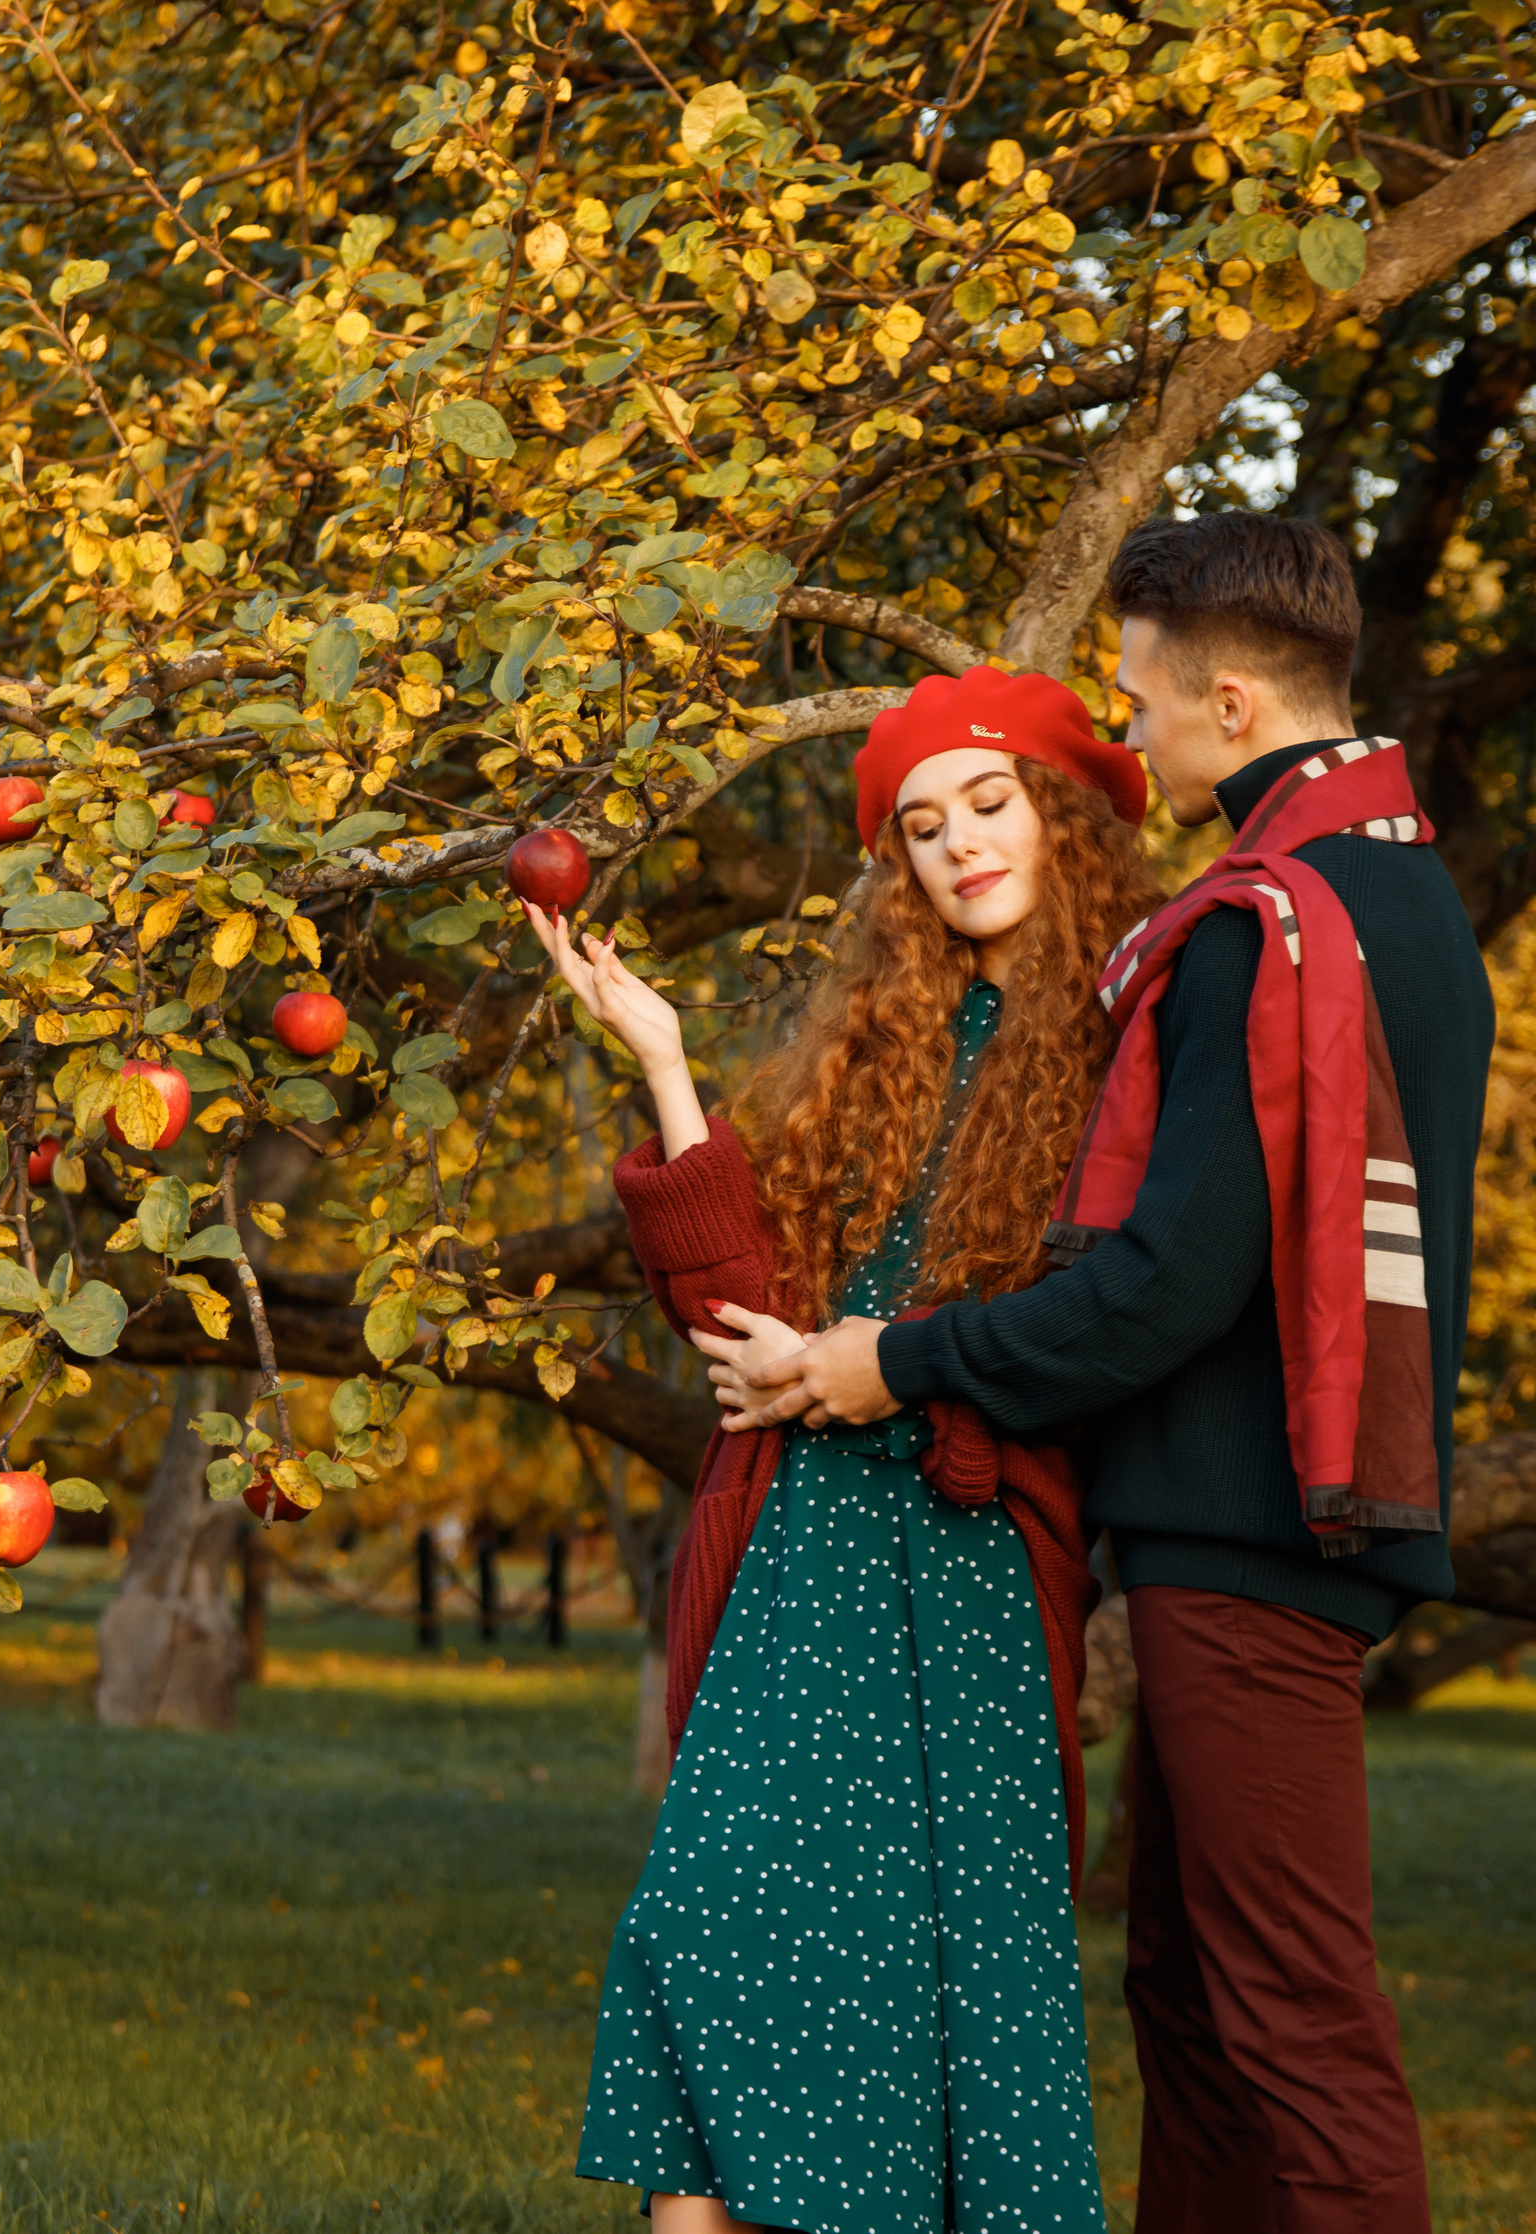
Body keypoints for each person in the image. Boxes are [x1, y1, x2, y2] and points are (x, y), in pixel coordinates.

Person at [726, 513, 1495, 2234]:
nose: (1131, 735)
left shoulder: (1260, 926)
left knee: (1289, 2015)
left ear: (1229, 699)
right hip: (1269, 1530)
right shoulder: (1400, 894)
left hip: (1253, 1538)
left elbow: (1162, 1288)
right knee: (1195, 2002)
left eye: (1142, 700)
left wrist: (893, 1360)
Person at [530, 666, 1160, 2234]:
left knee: (925, 2032)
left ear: (1064, 812)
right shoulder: (886, 1043)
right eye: (924, 828)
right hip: (800, 1572)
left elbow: (1118, 1334)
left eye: (989, 803)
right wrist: (666, 1065)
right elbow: (747, 1324)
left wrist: (892, 1384)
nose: (959, 847)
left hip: (962, 1595)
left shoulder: (1136, 1044)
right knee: (714, 1950)